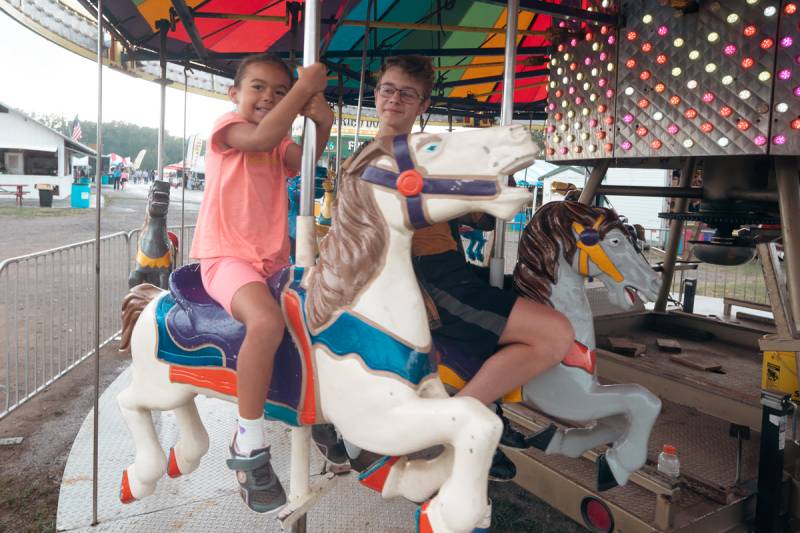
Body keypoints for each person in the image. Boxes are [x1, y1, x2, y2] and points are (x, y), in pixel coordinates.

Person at [375, 56, 575, 480]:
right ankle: (457, 424)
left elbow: (476, 215)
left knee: (525, 297)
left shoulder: (423, 152)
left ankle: (489, 411)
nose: (395, 99)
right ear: (377, 94)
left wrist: (495, 187)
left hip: (450, 266)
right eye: (388, 89)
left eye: (407, 94)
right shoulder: (382, 157)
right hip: (427, 277)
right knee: (554, 333)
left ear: (422, 104)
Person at [189, 53, 333, 513]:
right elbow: (266, 134)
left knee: (320, 315)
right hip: (225, 256)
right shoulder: (228, 129)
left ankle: (322, 411)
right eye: (258, 88)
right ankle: (249, 442)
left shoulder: (276, 144)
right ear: (234, 93)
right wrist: (302, 88)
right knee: (268, 323)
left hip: (271, 260)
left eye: (278, 90)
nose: (268, 98)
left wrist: (323, 123)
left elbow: (308, 161)